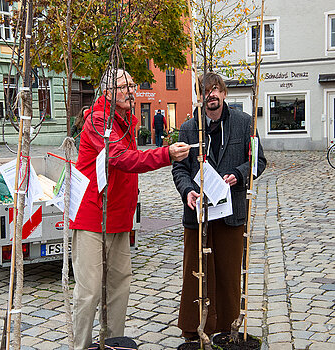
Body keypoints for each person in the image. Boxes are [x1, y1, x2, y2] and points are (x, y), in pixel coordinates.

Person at [69, 69, 190, 350]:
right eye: (124, 86)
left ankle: (114, 345)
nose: (131, 90)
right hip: (92, 218)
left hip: (119, 218)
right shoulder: (99, 121)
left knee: (119, 288)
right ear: (108, 92)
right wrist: (166, 153)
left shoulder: (126, 121)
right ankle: (81, 346)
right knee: (88, 292)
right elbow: (121, 158)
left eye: (132, 85)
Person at [172, 72, 266, 341]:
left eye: (215, 90)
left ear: (224, 93)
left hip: (230, 213)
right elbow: (179, 168)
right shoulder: (189, 127)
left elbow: (258, 161)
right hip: (198, 213)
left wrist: (239, 173)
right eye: (204, 91)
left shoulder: (244, 123)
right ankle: (195, 328)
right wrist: (187, 190)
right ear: (199, 96)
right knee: (195, 272)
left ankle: (227, 326)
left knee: (228, 271)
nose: (210, 95)